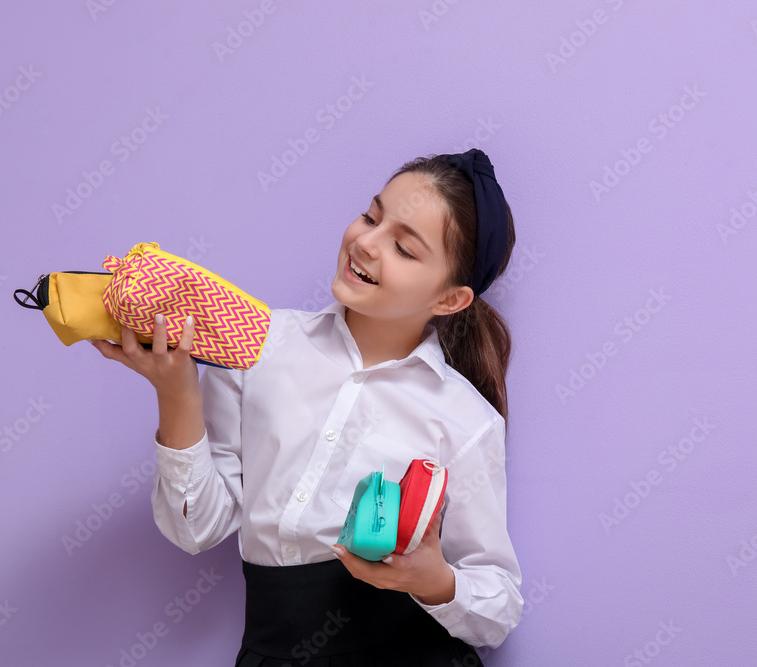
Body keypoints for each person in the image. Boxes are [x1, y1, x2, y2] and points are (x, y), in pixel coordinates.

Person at [90, 148, 524, 665]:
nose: (365, 242)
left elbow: (499, 605)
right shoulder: (258, 345)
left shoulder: (467, 419)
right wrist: (177, 391)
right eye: (371, 215)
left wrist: (434, 579)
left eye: (404, 248)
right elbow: (196, 530)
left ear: (449, 300)